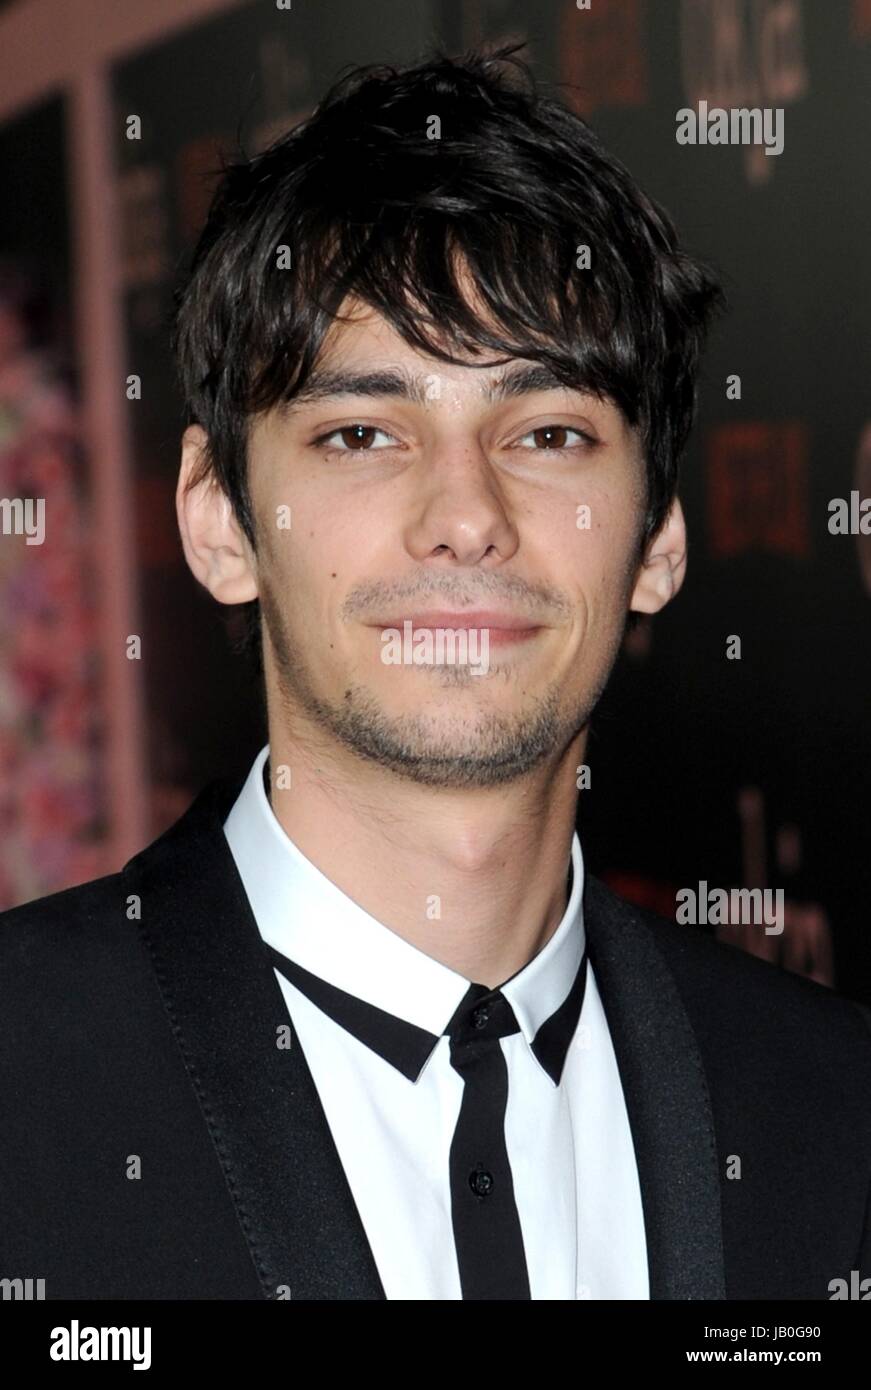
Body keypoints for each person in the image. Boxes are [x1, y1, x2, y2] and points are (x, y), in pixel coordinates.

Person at [1, 45, 869, 1302]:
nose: (465, 515)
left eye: (549, 432)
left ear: (659, 541)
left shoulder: (831, 1113)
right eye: (363, 433)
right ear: (218, 519)